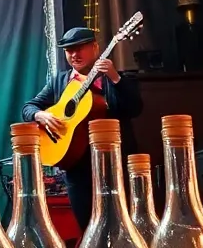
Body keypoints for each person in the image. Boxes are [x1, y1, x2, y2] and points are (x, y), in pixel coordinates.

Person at [23, 26, 143, 231]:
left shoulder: (116, 79)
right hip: (77, 170)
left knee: (122, 229)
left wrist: (115, 78)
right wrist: (40, 115)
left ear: (95, 48)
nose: (74, 54)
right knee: (88, 230)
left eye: (79, 48)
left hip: (115, 166)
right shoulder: (59, 82)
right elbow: (29, 107)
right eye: (69, 50)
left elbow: (134, 108)